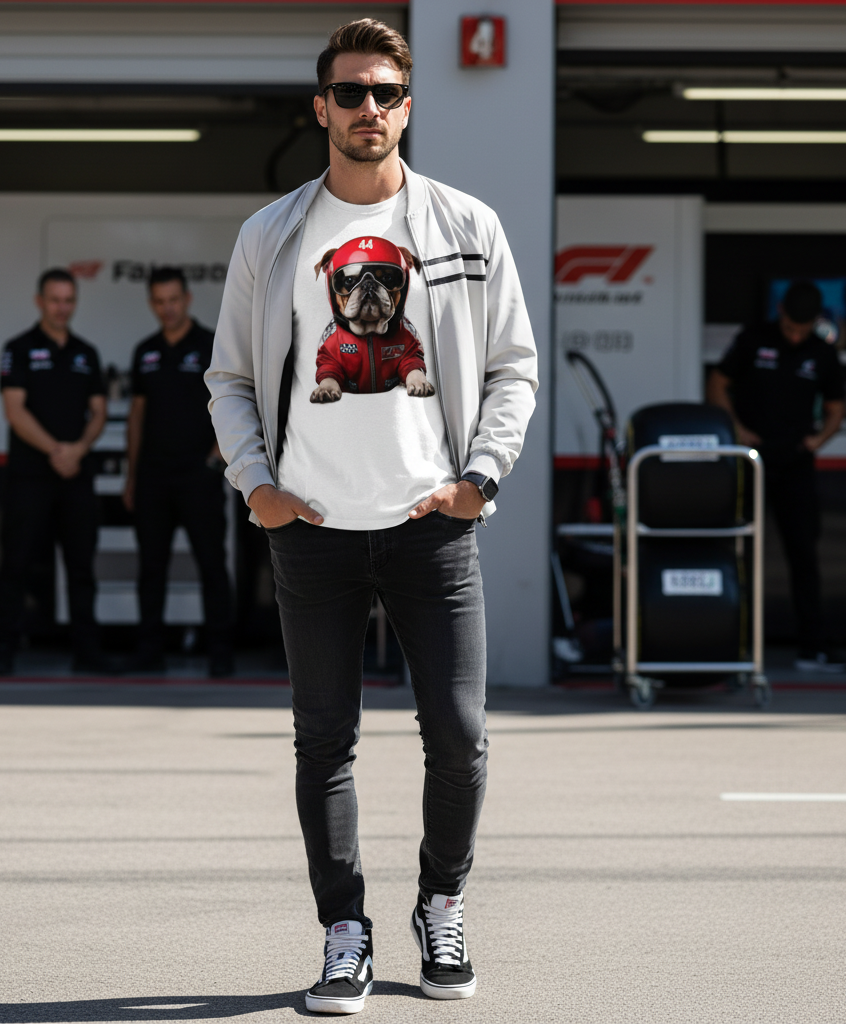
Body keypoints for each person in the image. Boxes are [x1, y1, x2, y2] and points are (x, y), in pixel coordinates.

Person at [205, 19, 537, 1014]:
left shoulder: (466, 226)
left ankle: (442, 903)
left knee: (460, 737)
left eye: (384, 92)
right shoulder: (271, 234)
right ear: (320, 108)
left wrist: (479, 479)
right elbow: (229, 378)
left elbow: (512, 369)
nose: (367, 109)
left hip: (433, 524)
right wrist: (258, 488)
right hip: (309, 528)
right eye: (349, 92)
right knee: (324, 741)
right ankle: (342, 931)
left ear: (408, 106)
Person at [707, 279, 846, 672]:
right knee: (741, 551)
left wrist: (817, 440)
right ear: (780, 311)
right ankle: (734, 645)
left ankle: (813, 647)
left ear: (816, 321)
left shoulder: (822, 352)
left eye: (803, 329)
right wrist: (737, 430)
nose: (796, 336)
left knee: (803, 553)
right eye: (790, 327)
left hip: (795, 463)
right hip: (752, 459)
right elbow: (717, 384)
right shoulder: (754, 339)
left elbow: (837, 407)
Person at [0, 268, 111, 676]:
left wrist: (78, 449)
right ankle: (2, 650)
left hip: (76, 476)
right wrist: (57, 450)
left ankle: (87, 653)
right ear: (39, 301)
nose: (62, 308)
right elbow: (14, 411)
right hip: (30, 476)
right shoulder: (18, 349)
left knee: (81, 567)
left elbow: (99, 412)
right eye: (55, 300)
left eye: (69, 300)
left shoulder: (86, 353)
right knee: (16, 563)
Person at [123, 267, 233, 676]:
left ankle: (220, 654)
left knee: (211, 565)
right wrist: (132, 476)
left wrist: (215, 459)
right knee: (151, 567)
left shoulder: (211, 345)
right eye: (159, 301)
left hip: (198, 476)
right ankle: (149, 651)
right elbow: (137, 416)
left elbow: (234, 404)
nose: (167, 308)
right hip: (153, 477)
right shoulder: (145, 351)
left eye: (173, 300)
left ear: (187, 299)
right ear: (151, 303)